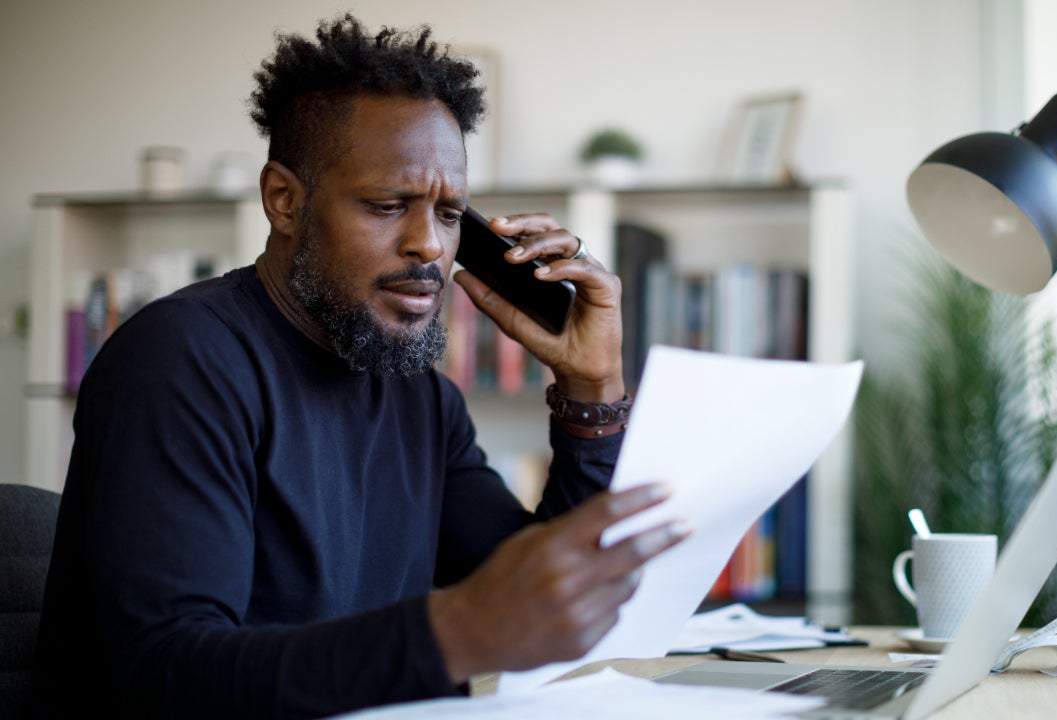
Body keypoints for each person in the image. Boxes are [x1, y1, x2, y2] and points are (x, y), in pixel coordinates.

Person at [33, 15, 689, 720]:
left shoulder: (421, 398)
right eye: (387, 205)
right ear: (284, 200)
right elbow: (167, 673)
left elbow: (544, 600)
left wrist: (590, 390)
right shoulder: (180, 361)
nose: (428, 246)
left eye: (449, 213)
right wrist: (454, 632)